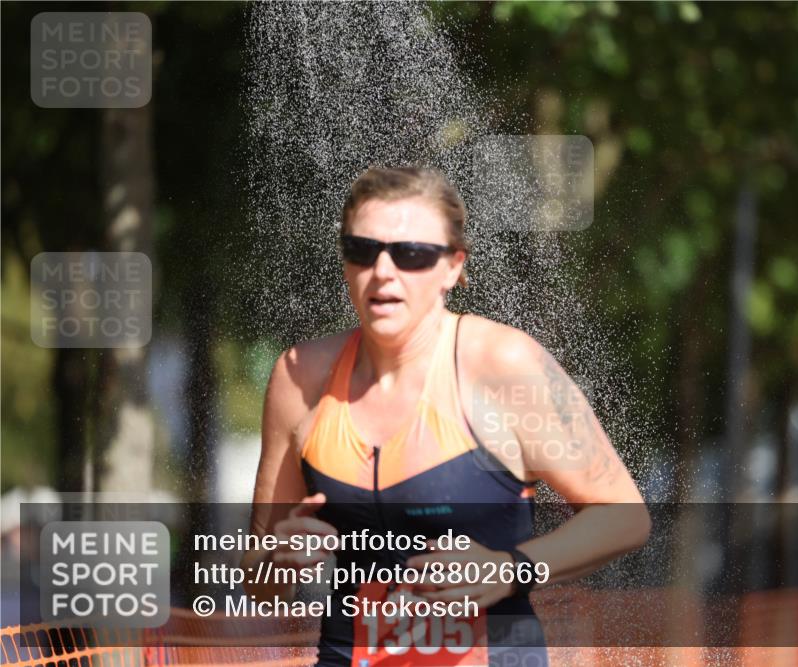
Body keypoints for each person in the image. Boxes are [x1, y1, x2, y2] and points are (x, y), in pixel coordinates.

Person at [244, 166, 650, 666]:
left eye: (412, 254)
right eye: (363, 251)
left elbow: (625, 516)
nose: (384, 271)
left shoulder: (505, 365)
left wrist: (510, 569)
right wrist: (279, 564)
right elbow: (259, 582)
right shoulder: (298, 378)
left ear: (454, 267)